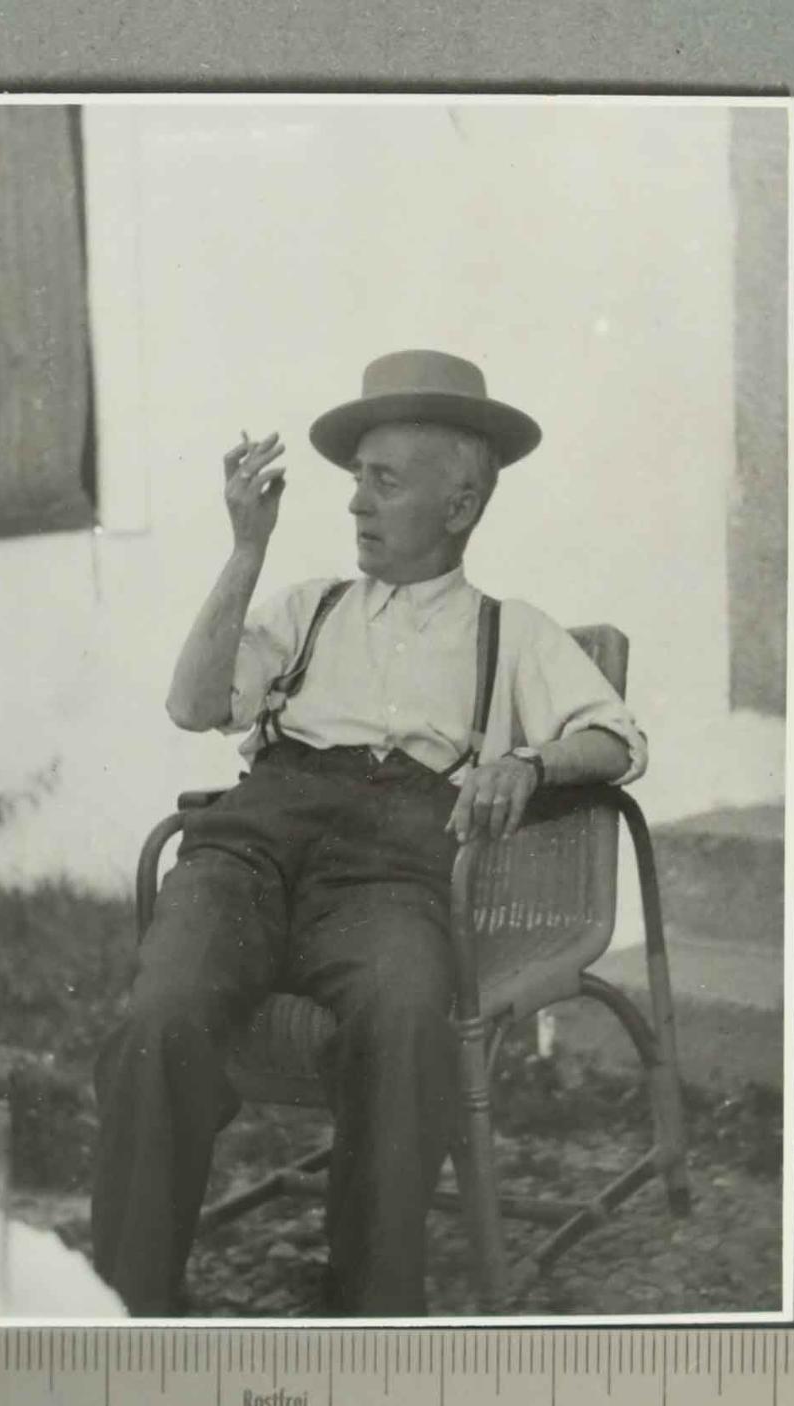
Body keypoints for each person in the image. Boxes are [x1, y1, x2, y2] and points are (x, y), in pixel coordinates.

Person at [92, 350, 647, 1317]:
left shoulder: (508, 632)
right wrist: (245, 549)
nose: (355, 504)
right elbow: (192, 707)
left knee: (403, 1022)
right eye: (355, 480)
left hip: (393, 870)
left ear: (462, 504)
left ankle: (374, 1317)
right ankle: (125, 1315)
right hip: (253, 846)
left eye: (383, 482)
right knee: (160, 1013)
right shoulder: (309, 608)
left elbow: (616, 738)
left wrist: (528, 762)